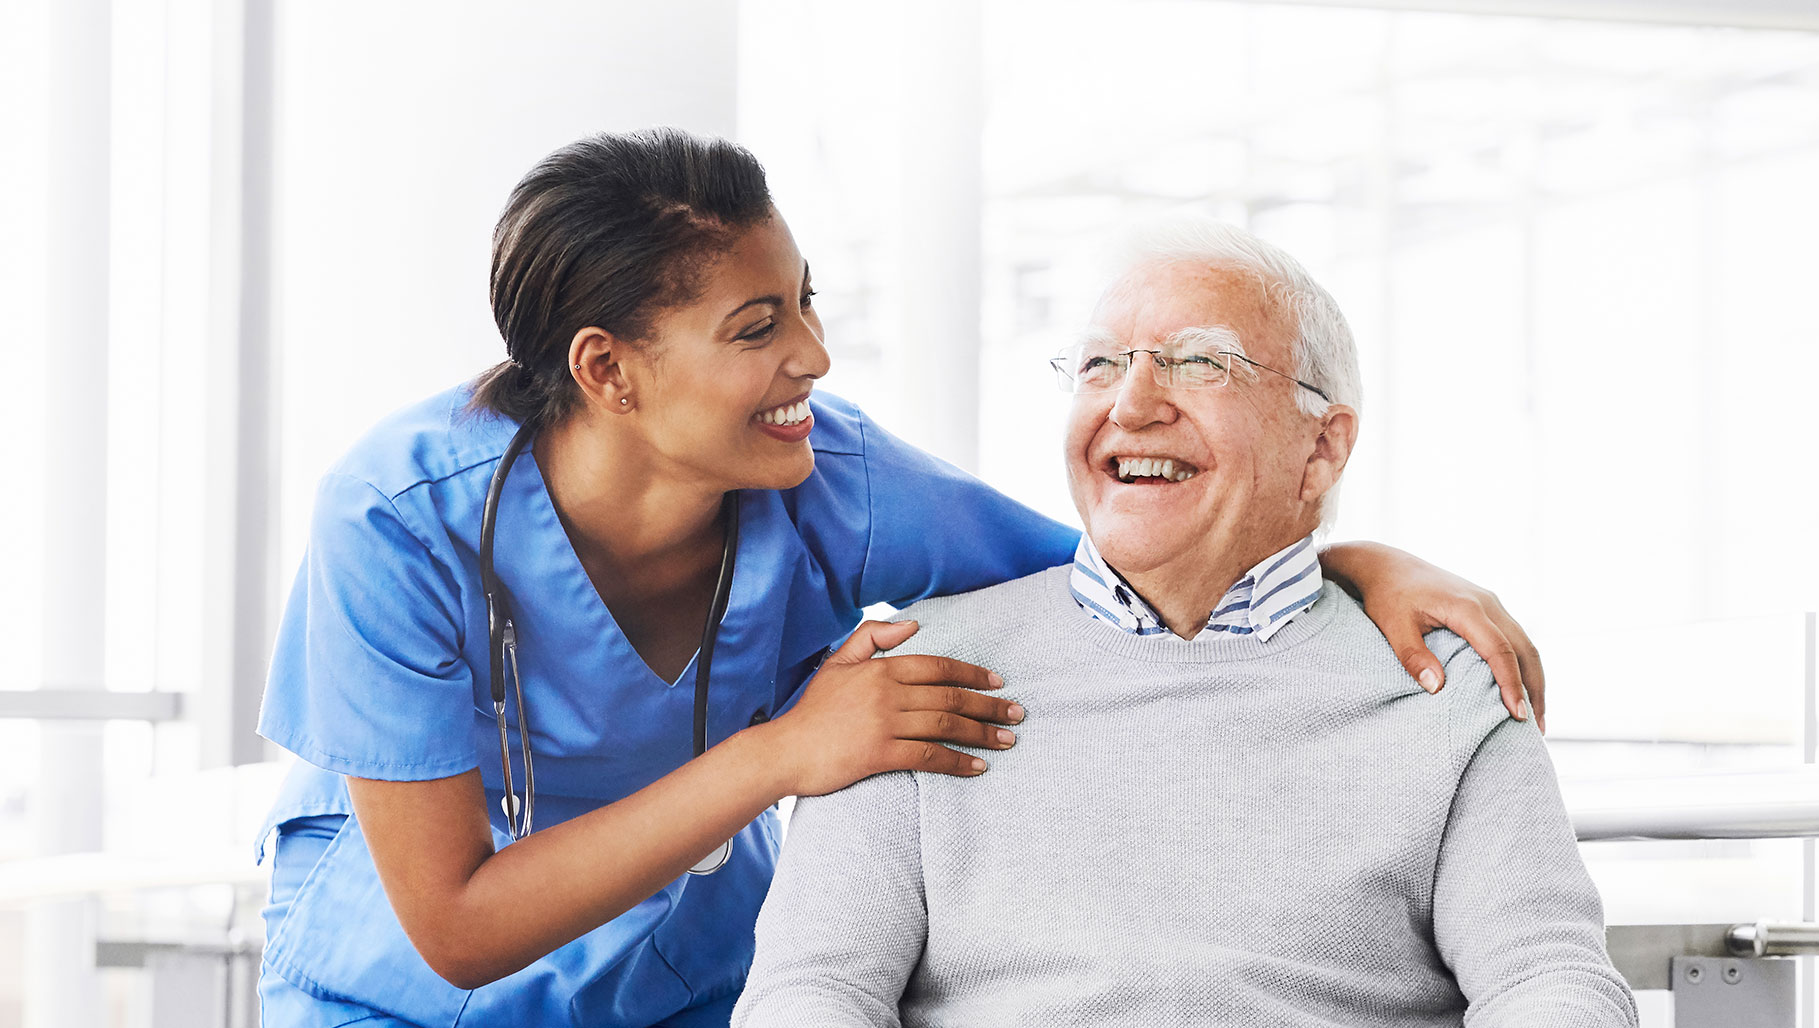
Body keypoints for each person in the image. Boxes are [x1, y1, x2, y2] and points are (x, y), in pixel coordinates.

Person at [251, 129, 1550, 1027]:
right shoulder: (400, 521)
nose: (815, 354)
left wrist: (1348, 553)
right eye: (757, 326)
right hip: (402, 991)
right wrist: (786, 756)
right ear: (608, 370)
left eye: (805, 301)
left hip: (685, 981)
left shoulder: (838, 479)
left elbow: (1136, 578)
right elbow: (460, 927)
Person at [733, 220, 1635, 1027]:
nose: (1131, 403)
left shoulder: (1447, 686)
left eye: (1200, 361)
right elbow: (813, 991)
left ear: (1320, 449)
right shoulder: (915, 673)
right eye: (1099, 364)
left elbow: (1546, 978)